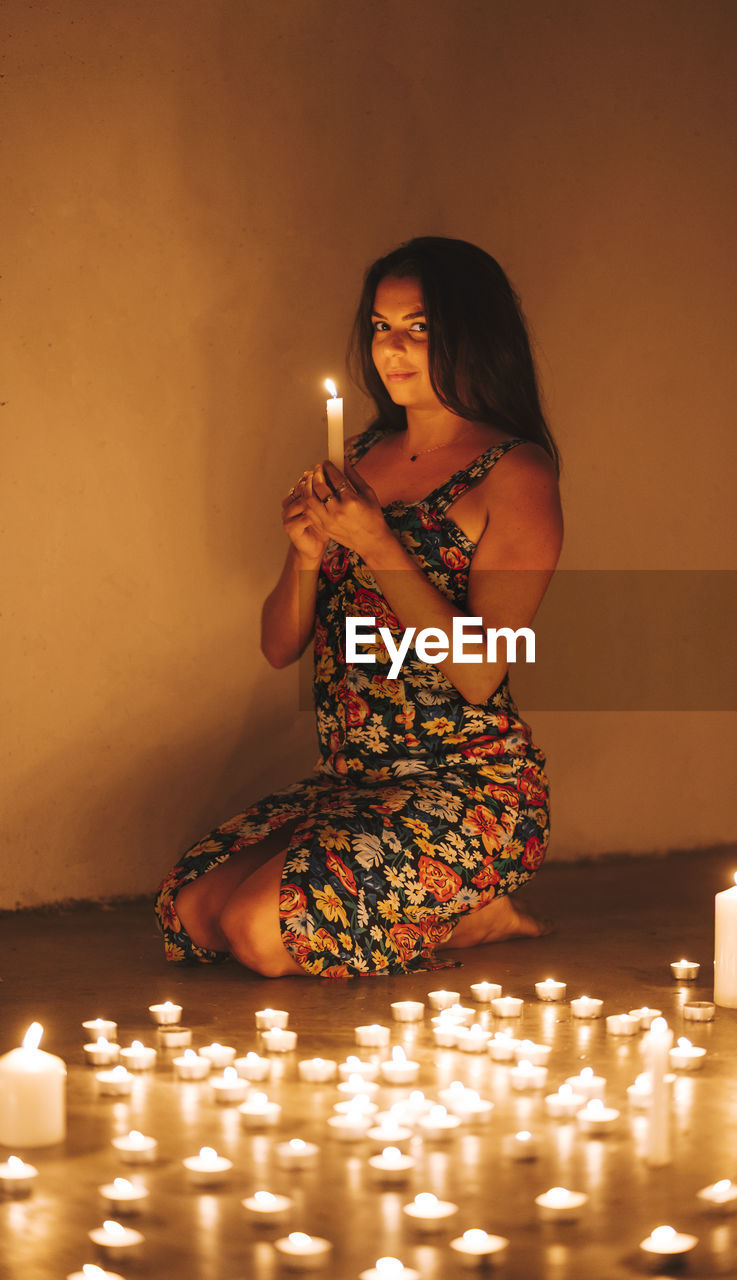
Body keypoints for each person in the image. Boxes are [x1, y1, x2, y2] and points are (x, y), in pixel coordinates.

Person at [154, 236, 563, 978]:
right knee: (193, 913)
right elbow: (279, 645)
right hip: (353, 781)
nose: (392, 349)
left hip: (463, 784)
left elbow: (477, 675)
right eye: (380, 326)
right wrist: (306, 551)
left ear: (470, 332)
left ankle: (473, 909)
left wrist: (376, 543)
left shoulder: (514, 473)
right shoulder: (360, 457)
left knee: (258, 932)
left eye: (419, 327)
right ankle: (444, 906)